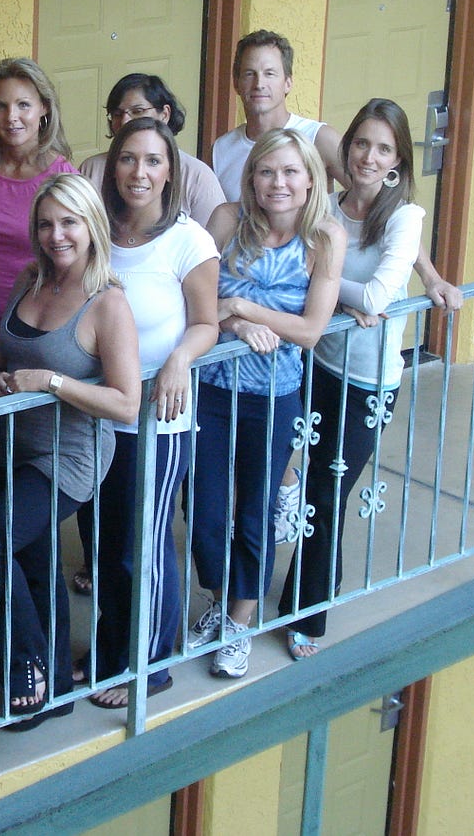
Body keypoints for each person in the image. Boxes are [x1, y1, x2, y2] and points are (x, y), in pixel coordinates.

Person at [213, 31, 458, 542]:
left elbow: (377, 200)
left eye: (271, 73)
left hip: (307, 326)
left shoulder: (317, 137)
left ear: (288, 82)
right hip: (276, 324)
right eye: (250, 73)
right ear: (236, 81)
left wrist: (427, 274)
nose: (260, 84)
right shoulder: (224, 146)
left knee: (297, 458)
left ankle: (286, 499)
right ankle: (279, 496)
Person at [0, 173, 140, 728]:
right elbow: (6, 358)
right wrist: (1, 379)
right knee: (34, 558)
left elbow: (125, 403)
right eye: (45, 223)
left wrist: (49, 382)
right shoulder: (28, 279)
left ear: (91, 227)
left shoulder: (108, 302)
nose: (55, 235)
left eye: (68, 222)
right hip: (9, 446)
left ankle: (27, 669)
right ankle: (58, 686)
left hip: (68, 458)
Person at [187, 129, 346, 679]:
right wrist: (230, 317)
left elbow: (309, 329)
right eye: (267, 172)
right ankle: (218, 597)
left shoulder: (324, 236)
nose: (278, 183)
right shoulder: (228, 221)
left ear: (309, 180)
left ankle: (238, 622)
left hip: (273, 395)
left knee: (252, 514)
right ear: (252, 177)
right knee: (204, 513)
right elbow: (201, 302)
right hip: (210, 389)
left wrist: (242, 306)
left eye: (290, 172)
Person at [278, 100, 423, 659]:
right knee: (290, 473)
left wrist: (328, 285)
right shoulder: (327, 209)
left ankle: (308, 611)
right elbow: (299, 272)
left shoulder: (405, 217)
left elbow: (380, 296)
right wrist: (337, 292)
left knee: (329, 491)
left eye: (383, 148)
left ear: (396, 161)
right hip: (314, 364)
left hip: (369, 380)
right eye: (361, 143)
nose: (367, 155)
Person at [86, 120, 219, 708]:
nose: (139, 173)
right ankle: (115, 649)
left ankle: (150, 663)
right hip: (101, 416)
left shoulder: (189, 240)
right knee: (111, 545)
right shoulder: (99, 233)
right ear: (113, 166)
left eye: (153, 161)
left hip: (158, 421)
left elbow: (207, 323)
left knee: (146, 543)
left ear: (171, 170)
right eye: (128, 160)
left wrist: (178, 361)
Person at [0, 58, 77, 318]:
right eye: (1, 106)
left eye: (23, 105)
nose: (11, 117)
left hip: (39, 320)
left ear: (43, 107)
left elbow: (81, 261)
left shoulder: (64, 176)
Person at [78, 73, 226, 229]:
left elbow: (216, 242)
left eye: (138, 111)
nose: (125, 121)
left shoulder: (197, 175)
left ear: (165, 114)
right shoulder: (92, 169)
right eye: (117, 114)